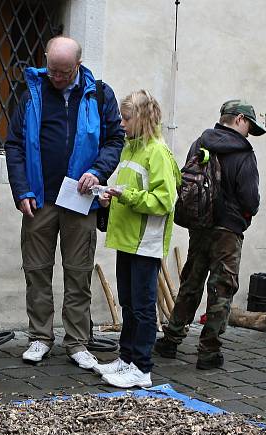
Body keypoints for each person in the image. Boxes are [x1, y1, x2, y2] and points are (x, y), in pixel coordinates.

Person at [4, 36, 124, 368]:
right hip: (39, 199)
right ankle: (40, 337)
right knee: (37, 271)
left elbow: (115, 138)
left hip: (81, 200)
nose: (57, 78)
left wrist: (99, 171)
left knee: (78, 272)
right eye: (53, 70)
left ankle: (77, 343)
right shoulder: (32, 91)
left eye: (64, 72)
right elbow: (14, 144)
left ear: (79, 66)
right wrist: (22, 190)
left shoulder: (99, 94)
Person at [152, 100, 264, 370]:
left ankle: (170, 339)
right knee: (221, 288)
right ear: (239, 119)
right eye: (249, 124)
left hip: (199, 225)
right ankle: (209, 351)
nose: (249, 132)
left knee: (191, 281)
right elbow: (250, 199)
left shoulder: (200, 142)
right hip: (228, 229)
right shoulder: (244, 152)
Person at [91, 90, 179, 388]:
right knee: (128, 304)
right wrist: (110, 199)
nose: (121, 123)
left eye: (126, 118)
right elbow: (130, 193)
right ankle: (126, 358)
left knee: (142, 307)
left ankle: (142, 368)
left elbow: (165, 200)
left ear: (142, 118)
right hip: (128, 239)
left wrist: (124, 196)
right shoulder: (131, 149)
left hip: (145, 242)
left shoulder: (157, 152)